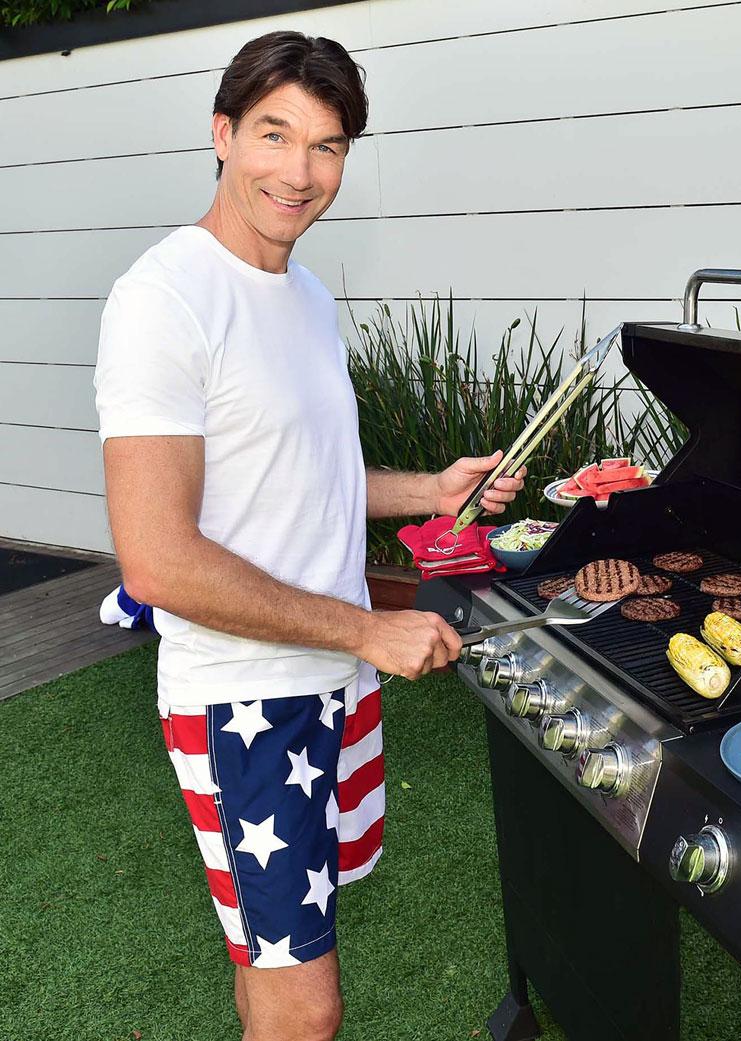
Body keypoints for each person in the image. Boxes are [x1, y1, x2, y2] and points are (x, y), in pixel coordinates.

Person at [92, 31, 524, 1041]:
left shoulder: (305, 296)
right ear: (222, 133)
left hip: (327, 681)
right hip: (246, 702)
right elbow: (157, 557)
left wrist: (432, 489)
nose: (299, 171)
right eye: (275, 135)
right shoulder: (162, 300)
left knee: (271, 960)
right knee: (306, 1008)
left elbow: (305, 478)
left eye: (327, 146)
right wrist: (367, 630)